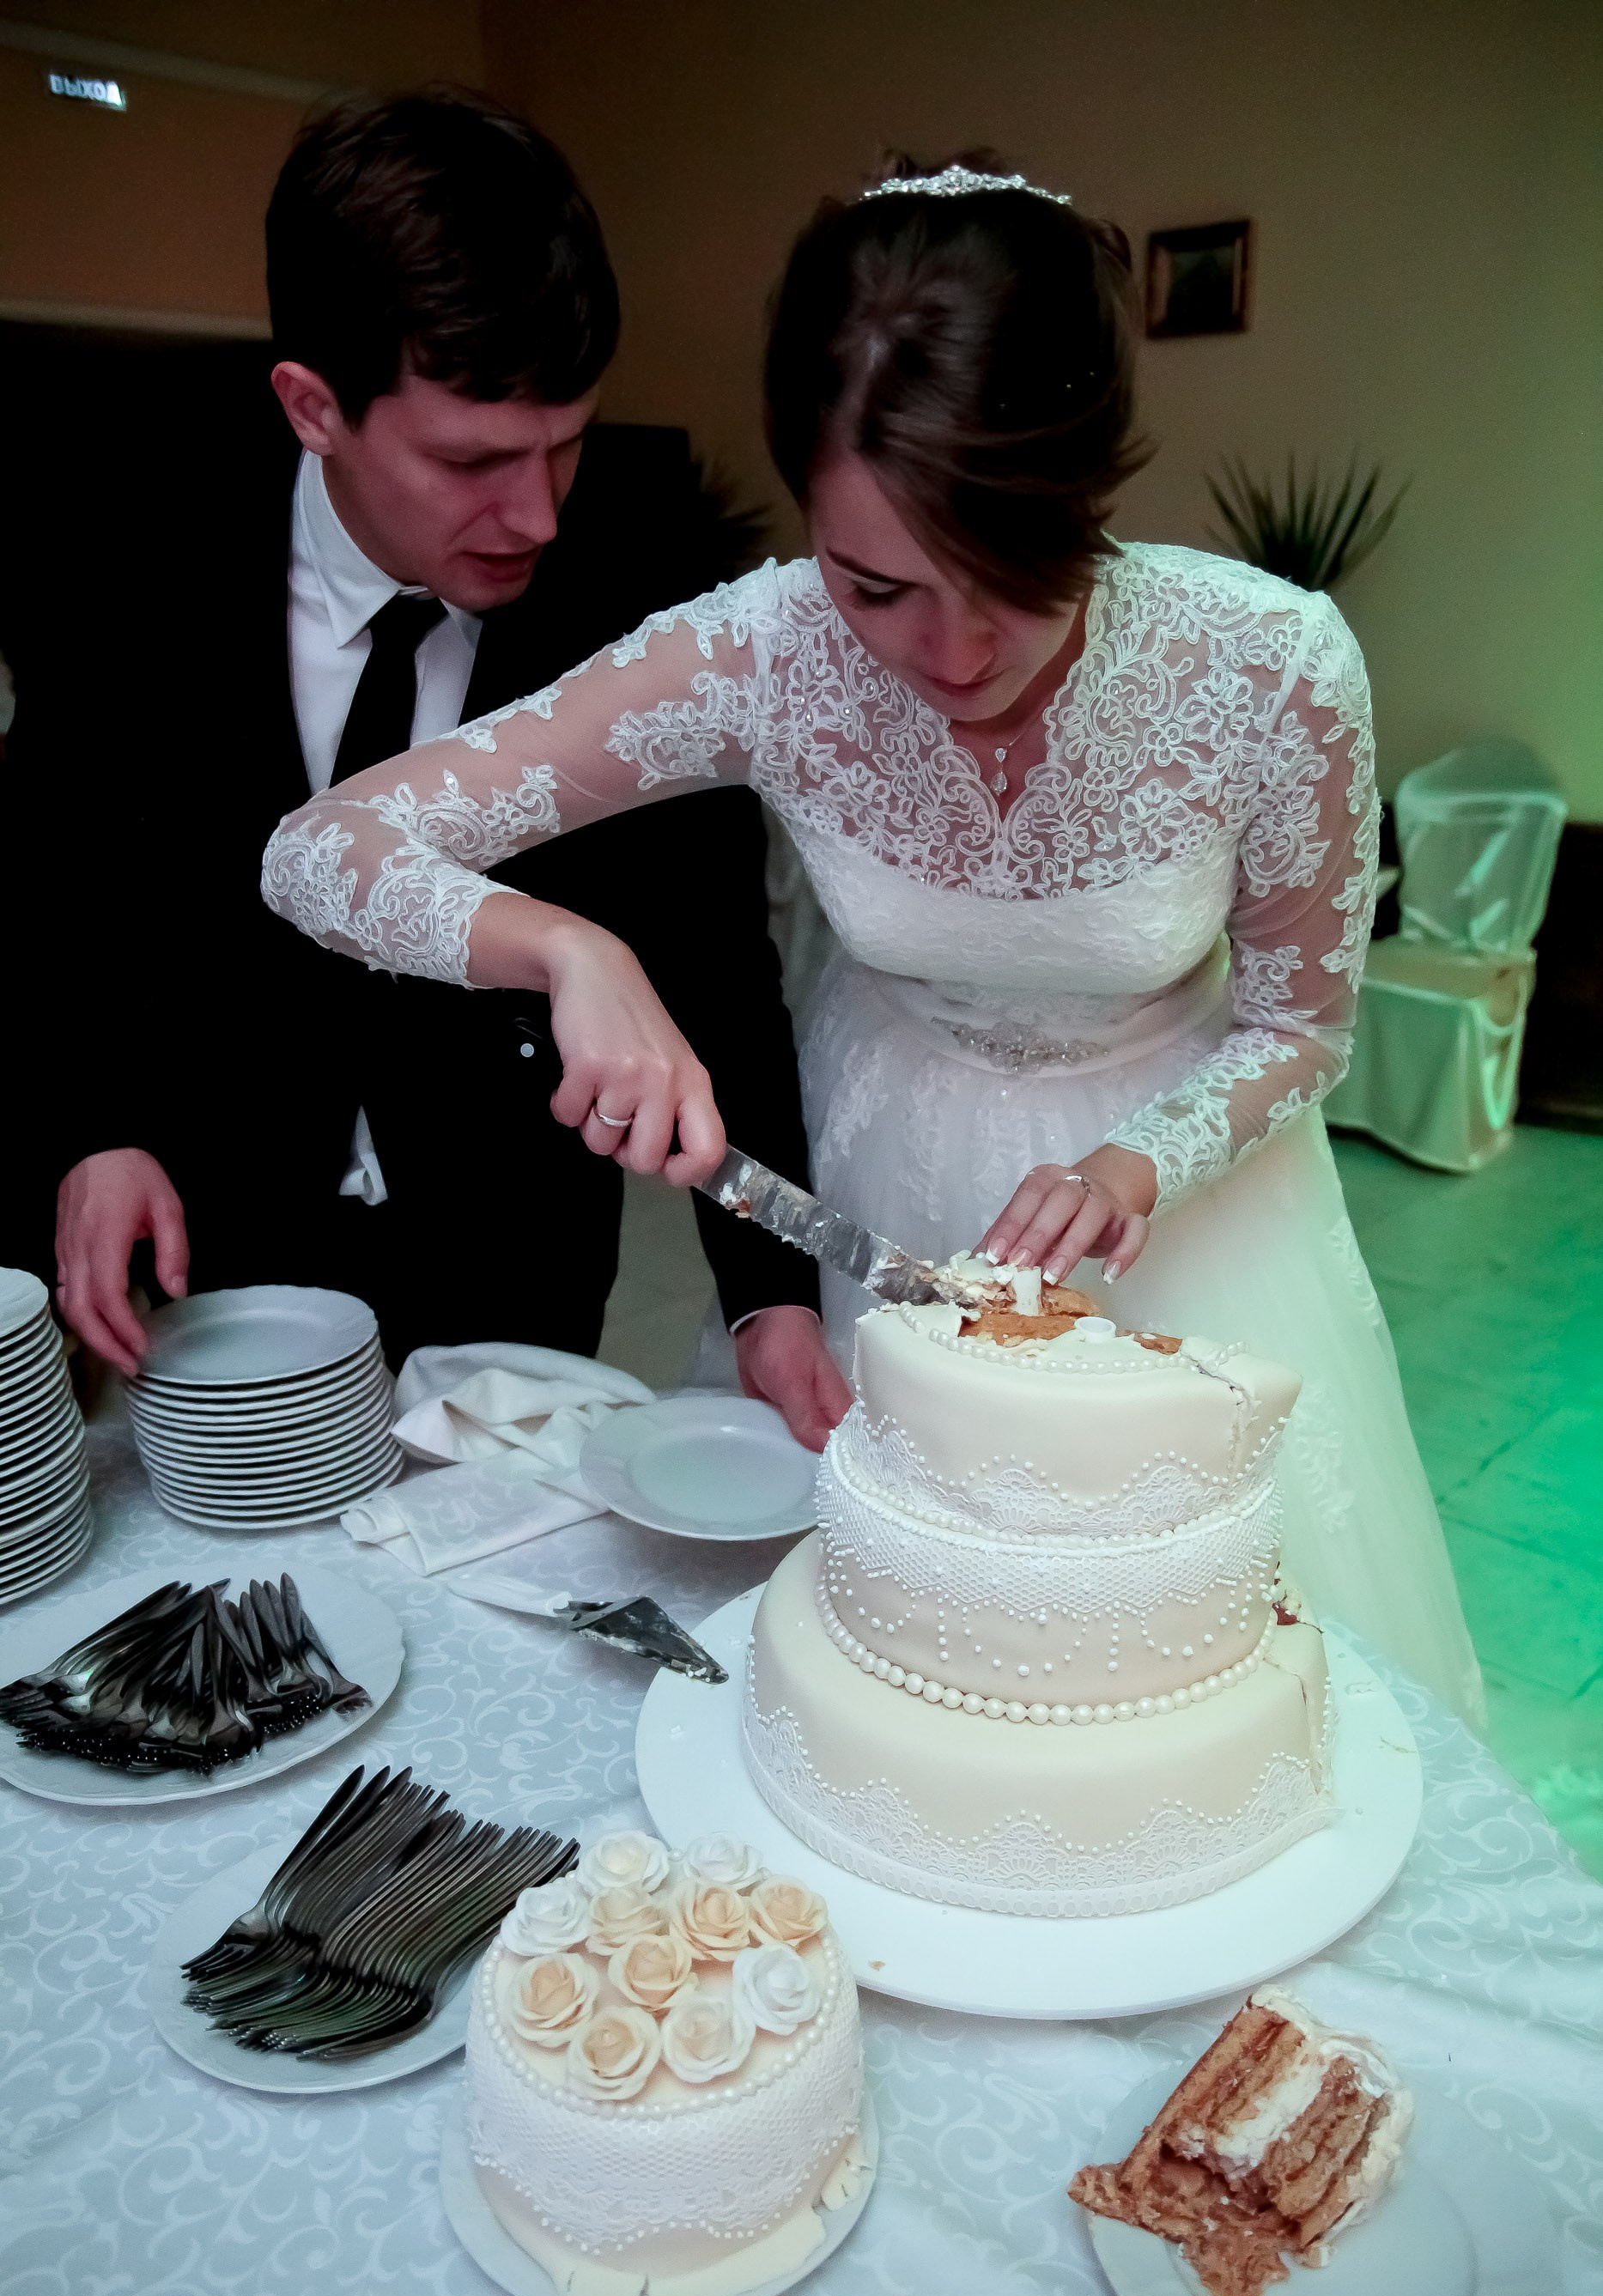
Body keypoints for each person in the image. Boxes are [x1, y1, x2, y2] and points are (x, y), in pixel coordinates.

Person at [258, 155, 1481, 1717]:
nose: (953, 653)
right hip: (882, 1178)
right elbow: (320, 852)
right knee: (892, 1691)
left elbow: (1302, 1025)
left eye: (1016, 574)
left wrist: (1136, 1165)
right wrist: (571, 951)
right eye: (878, 585)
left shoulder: (1268, 664)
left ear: (1092, 492)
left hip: (1182, 1215)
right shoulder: (763, 651)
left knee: (1180, 1693)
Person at [7, 90, 845, 1444]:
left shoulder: (645, 579)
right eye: (472, 460)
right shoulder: (126, 552)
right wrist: (91, 1130)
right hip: (215, 1225)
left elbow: (717, 961)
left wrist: (771, 1296)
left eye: (567, 444)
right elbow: (51, 880)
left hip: (517, 1248)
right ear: (313, 407)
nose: (538, 515)